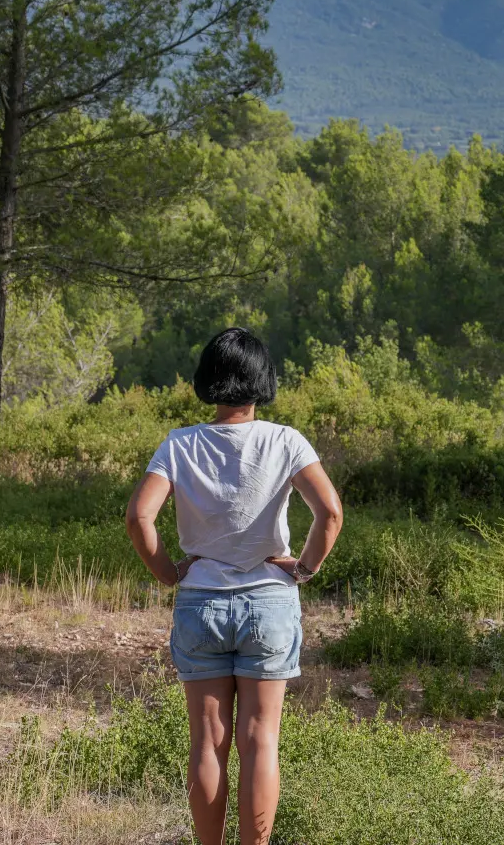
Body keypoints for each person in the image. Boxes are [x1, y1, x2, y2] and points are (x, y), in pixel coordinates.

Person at [125, 328, 343, 845]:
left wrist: (166, 572)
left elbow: (139, 517)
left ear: (207, 380)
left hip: (201, 602)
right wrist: (304, 569)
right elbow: (330, 512)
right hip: (269, 601)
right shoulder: (286, 441)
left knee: (207, 743)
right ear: (261, 381)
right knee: (260, 742)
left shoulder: (179, 444)